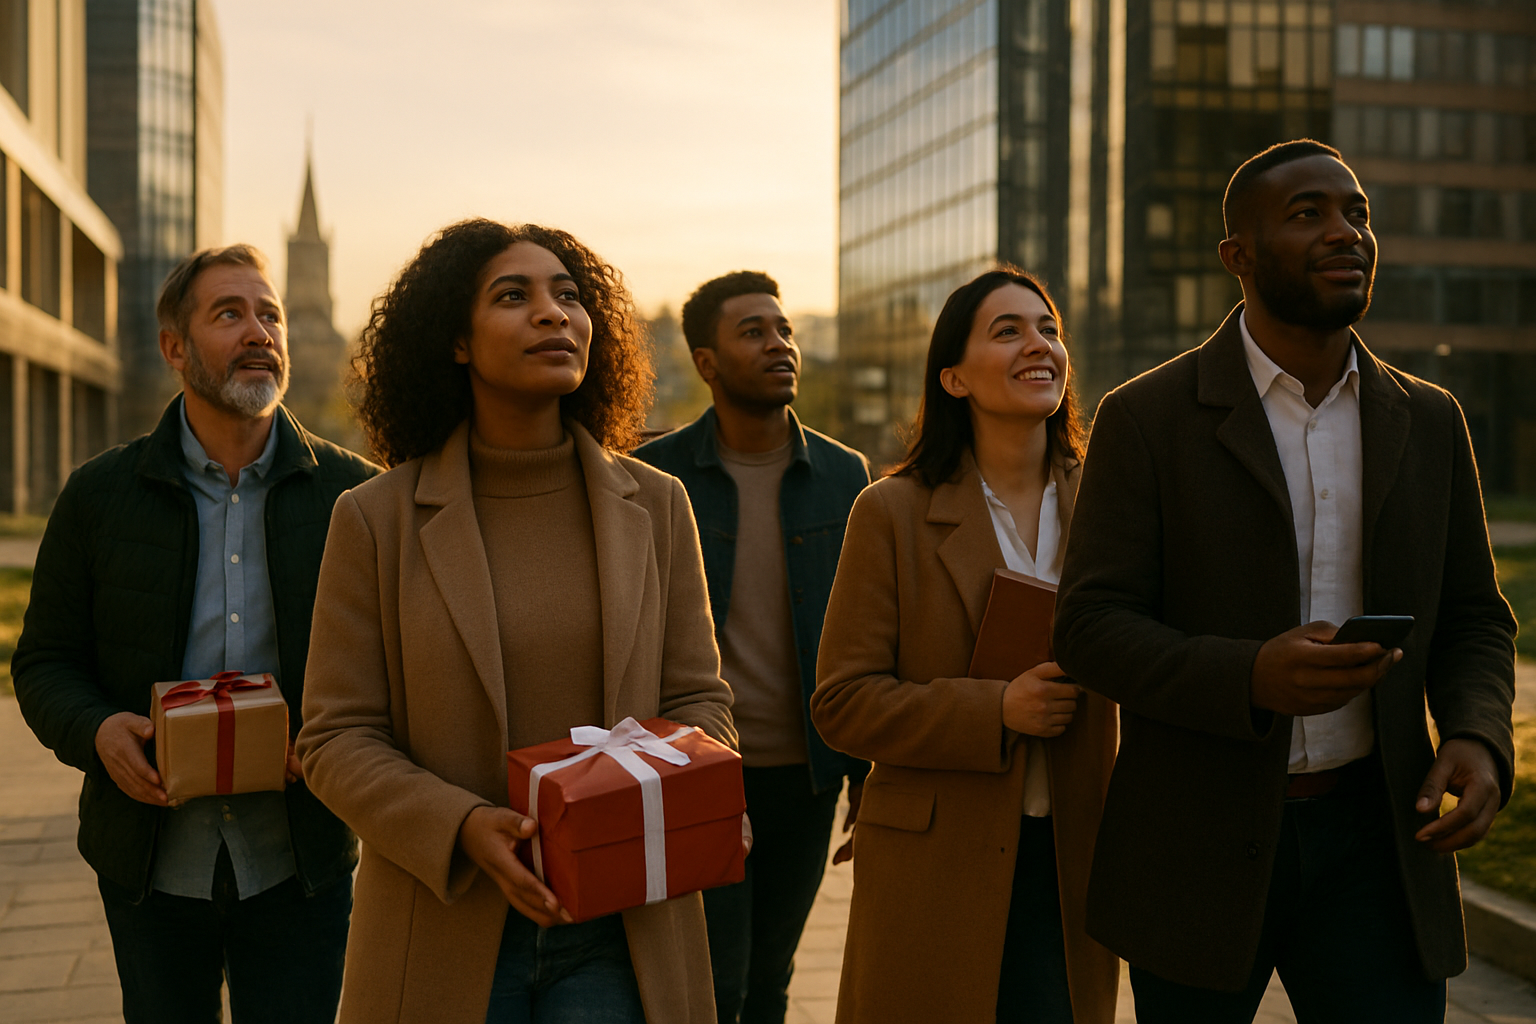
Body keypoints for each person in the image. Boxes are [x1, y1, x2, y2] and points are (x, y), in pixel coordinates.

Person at [1053, 140, 1517, 1021]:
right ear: (1238, 256)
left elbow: (1474, 619)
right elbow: (1089, 627)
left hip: (1381, 844)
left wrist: (1479, 734)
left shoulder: (1428, 418)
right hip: (1195, 846)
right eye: (1309, 215)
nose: (1346, 233)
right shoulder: (1146, 418)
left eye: (1358, 214)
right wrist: (1250, 675)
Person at [295, 219, 737, 1024]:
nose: (553, 313)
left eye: (569, 295)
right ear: (456, 341)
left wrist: (699, 787)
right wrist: (462, 827)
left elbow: (701, 702)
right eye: (514, 296)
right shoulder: (374, 519)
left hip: (624, 928)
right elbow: (333, 738)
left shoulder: (660, 506)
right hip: (444, 922)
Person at [12, 244, 378, 1024]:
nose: (260, 331)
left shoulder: (355, 497)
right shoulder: (100, 495)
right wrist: (99, 729)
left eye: (269, 314)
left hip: (301, 862)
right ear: (174, 348)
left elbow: (401, 671)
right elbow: (44, 663)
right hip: (150, 866)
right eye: (229, 314)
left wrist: (329, 742)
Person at [810, 268, 1119, 1024]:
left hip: (1076, 859)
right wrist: (997, 710)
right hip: (934, 863)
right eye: (1007, 331)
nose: (1037, 344)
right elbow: (843, 704)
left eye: (1047, 328)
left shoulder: (1114, 503)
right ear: (953, 377)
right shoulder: (892, 512)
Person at [633, 271, 871, 1024]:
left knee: (771, 976)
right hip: (696, 771)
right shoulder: (655, 478)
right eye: (754, 332)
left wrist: (865, 773)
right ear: (706, 362)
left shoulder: (845, 476)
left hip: (806, 774)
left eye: (785, 329)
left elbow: (866, 629)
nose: (779, 345)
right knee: (711, 984)